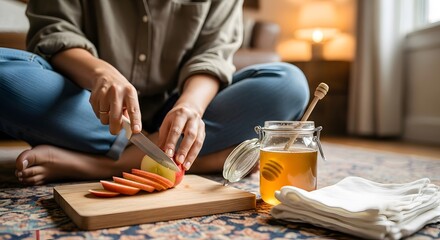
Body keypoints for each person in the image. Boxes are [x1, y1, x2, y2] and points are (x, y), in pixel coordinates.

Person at [0, 0, 309, 185]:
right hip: (89, 108)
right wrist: (100, 73)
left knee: (289, 83)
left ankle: (104, 164)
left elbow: (213, 54)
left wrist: (190, 108)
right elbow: (54, 30)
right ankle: (199, 160)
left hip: (173, 112)